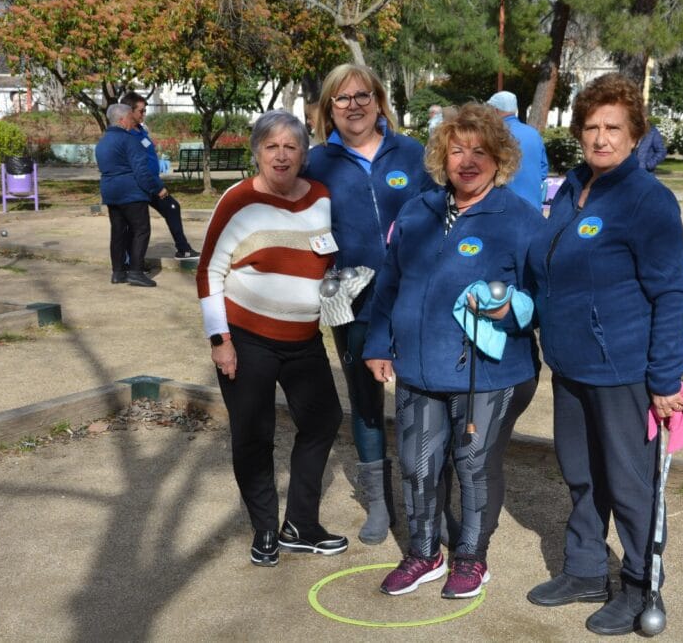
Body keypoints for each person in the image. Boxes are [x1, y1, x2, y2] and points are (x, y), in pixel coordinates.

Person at [525, 73, 683, 636]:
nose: (601, 138)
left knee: (628, 483)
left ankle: (642, 586)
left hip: (623, 369)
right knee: (580, 474)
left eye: (613, 128)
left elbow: (672, 291)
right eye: (592, 127)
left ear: (635, 132)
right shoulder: (573, 187)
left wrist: (666, 377)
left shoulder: (647, 199)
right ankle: (585, 570)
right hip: (570, 365)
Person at [363, 103, 542, 599]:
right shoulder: (417, 209)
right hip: (418, 366)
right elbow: (389, 284)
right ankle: (423, 554)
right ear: (442, 154)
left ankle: (472, 558)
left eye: (479, 150)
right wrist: (380, 344)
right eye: (456, 148)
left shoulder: (520, 219)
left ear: (499, 158)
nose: (467, 160)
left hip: (488, 373)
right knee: (418, 463)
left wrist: (513, 311)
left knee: (473, 464)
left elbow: (545, 298)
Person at [196, 110, 348, 568]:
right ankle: (265, 528)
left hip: (304, 340)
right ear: (257, 152)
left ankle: (301, 525)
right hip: (247, 340)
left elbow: (326, 264)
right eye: (271, 147)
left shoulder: (320, 196)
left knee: (323, 420)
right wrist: (219, 339)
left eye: (291, 147)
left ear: (304, 154)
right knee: (253, 434)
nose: (281, 156)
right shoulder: (238, 200)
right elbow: (209, 271)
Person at [303, 64, 437, 545]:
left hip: (416, 299)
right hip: (354, 304)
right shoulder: (316, 164)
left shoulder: (414, 154)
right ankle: (379, 505)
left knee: (424, 402)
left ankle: (428, 503)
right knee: (364, 402)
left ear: (379, 101)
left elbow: (441, 216)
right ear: (327, 110)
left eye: (363, 95)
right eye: (341, 99)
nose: (354, 105)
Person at [119, 92, 200, 261]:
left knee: (172, 207)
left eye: (145, 110)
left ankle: (183, 249)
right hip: (140, 185)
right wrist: (157, 187)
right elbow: (138, 166)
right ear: (129, 111)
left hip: (151, 181)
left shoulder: (141, 130)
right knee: (136, 225)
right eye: (141, 111)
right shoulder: (126, 135)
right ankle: (130, 262)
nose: (144, 114)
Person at [94, 103, 163, 288]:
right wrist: (155, 188)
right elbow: (141, 170)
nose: (133, 121)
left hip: (110, 191)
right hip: (130, 192)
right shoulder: (130, 140)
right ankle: (136, 272)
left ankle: (118, 272)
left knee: (118, 232)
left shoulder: (102, 142)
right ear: (122, 119)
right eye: (131, 118)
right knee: (141, 230)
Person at [486, 91, 549, 209]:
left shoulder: (493, 135)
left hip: (503, 207)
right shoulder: (533, 133)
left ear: (495, 110)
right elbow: (543, 169)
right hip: (533, 206)